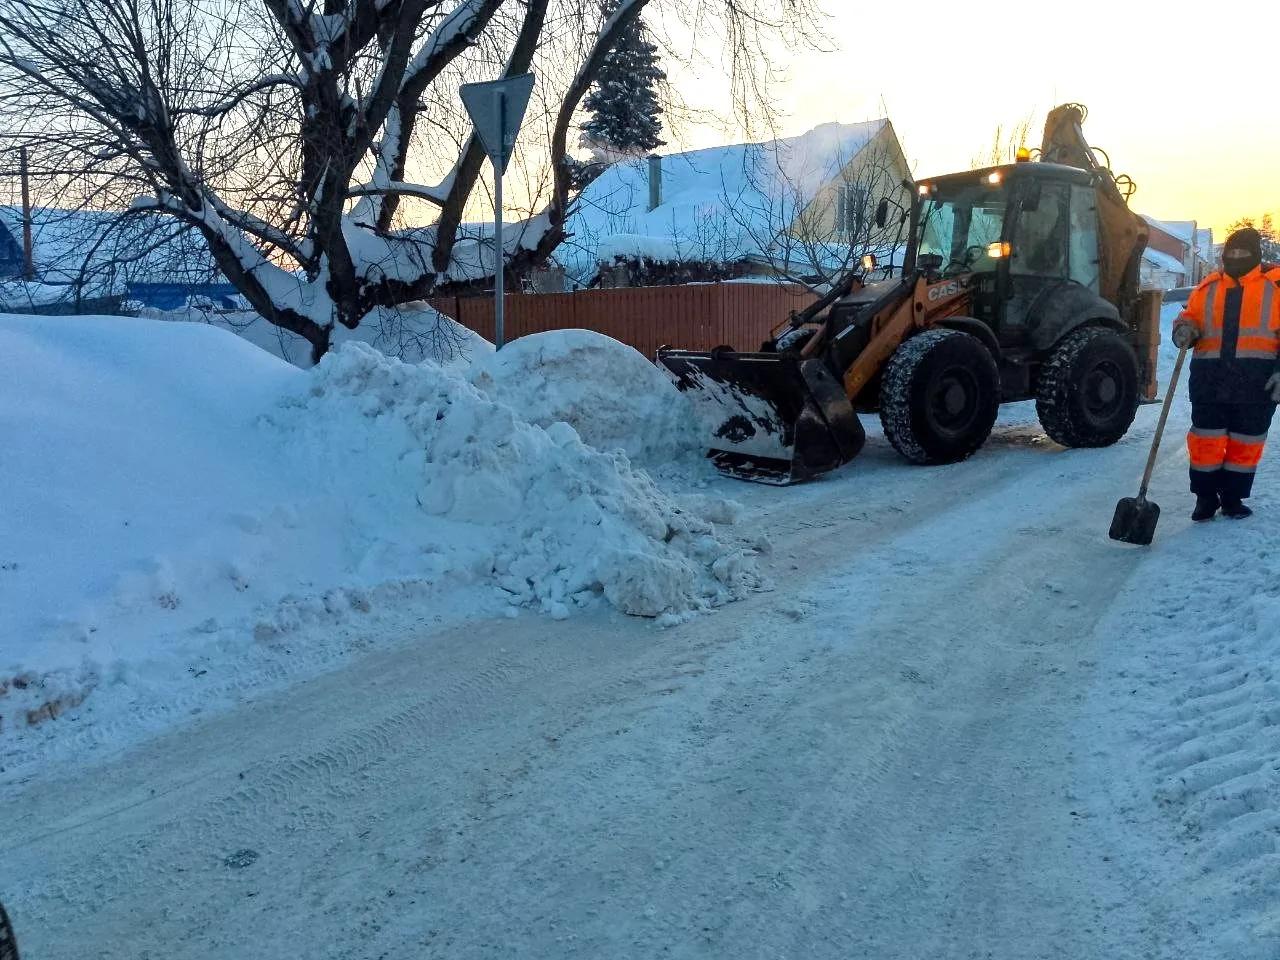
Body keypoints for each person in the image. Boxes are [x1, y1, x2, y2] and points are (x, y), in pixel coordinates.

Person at [1172, 227, 1280, 521]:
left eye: (1243, 252)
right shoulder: (1208, 287)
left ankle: (1233, 498)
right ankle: (1205, 498)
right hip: (1210, 380)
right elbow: (1189, 316)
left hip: (1257, 383)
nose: (1236, 257)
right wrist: (1184, 329)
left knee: (1246, 443)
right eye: (1231, 252)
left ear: (1256, 255)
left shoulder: (1275, 287)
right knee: (1205, 442)